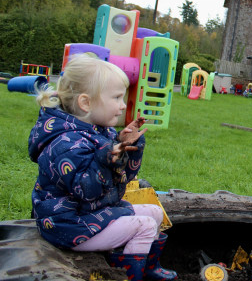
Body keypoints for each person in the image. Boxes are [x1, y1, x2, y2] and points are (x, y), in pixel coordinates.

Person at [28, 55, 177, 281]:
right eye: (117, 97)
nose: (123, 105)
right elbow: (87, 191)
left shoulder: (98, 132)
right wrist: (106, 157)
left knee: (154, 213)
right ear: (86, 103)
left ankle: (148, 268)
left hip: (91, 214)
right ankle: (129, 276)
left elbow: (123, 179)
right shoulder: (64, 143)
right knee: (145, 225)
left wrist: (128, 146)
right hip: (68, 225)